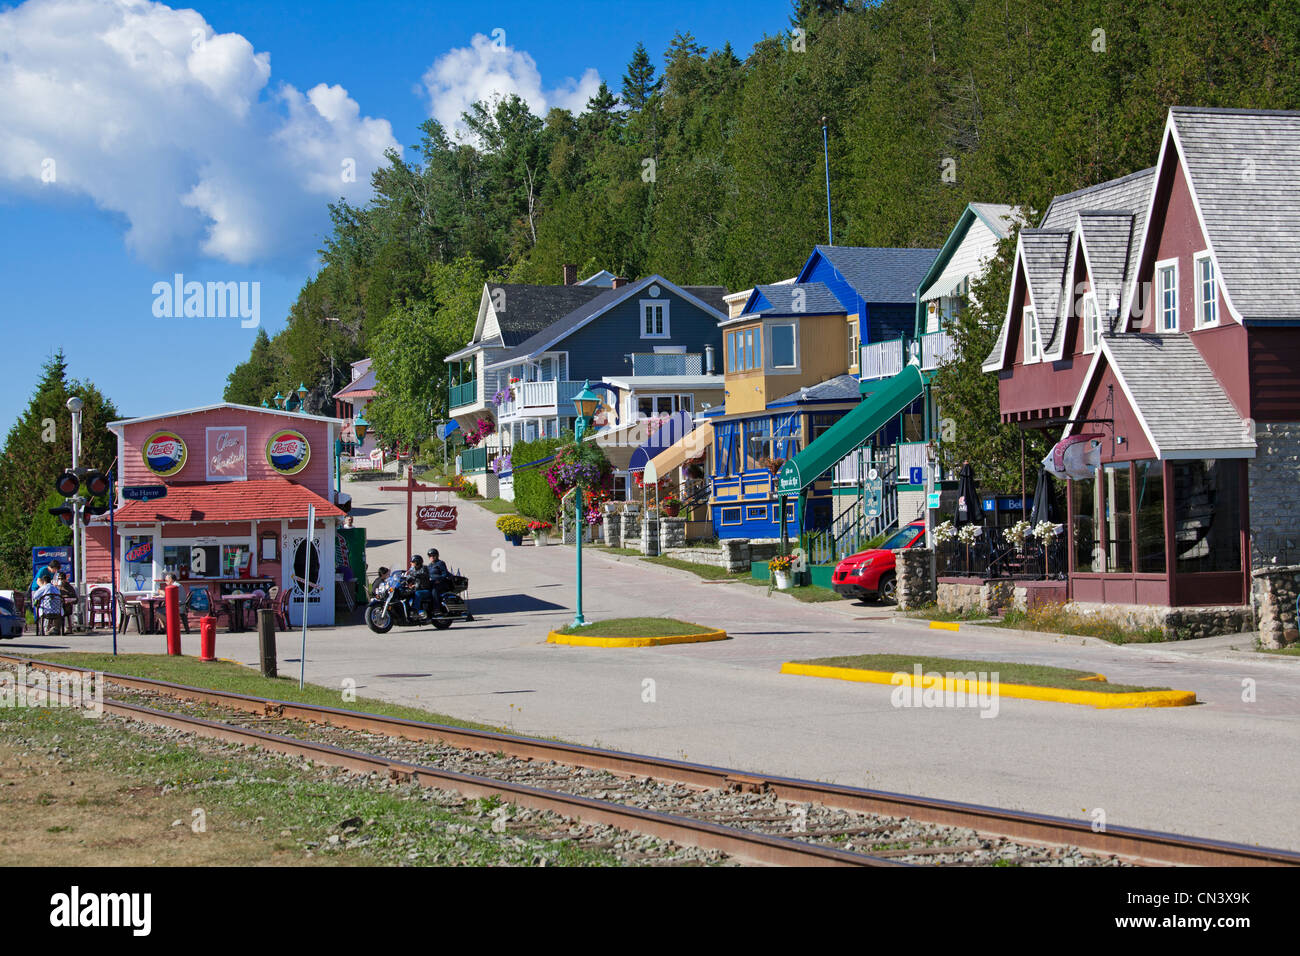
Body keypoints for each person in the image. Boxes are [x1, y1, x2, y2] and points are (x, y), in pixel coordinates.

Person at [32, 572, 64, 636]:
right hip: (57, 611)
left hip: (45, 611)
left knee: (37, 606)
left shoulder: (43, 588)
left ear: (44, 581)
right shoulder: (56, 588)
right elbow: (60, 597)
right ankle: (56, 629)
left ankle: (42, 629)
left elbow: (35, 596)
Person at [406, 554, 432, 621]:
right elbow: (409, 576)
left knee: (418, 594)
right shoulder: (413, 569)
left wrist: (415, 575)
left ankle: (415, 611)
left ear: (417, 562)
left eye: (412, 562)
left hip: (425, 590)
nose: (411, 563)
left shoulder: (424, 568)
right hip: (417, 589)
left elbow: (423, 574)